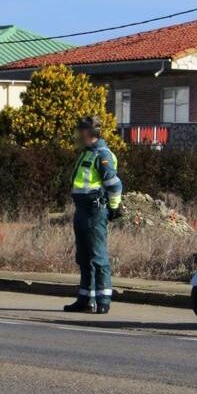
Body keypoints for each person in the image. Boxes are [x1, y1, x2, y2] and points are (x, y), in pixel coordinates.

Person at [63, 115, 123, 314]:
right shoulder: (86, 153)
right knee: (83, 257)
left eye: (82, 131)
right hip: (82, 209)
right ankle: (85, 299)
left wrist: (114, 207)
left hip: (95, 210)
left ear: (91, 133)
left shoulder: (102, 154)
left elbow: (114, 184)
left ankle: (103, 299)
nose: (79, 135)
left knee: (98, 256)